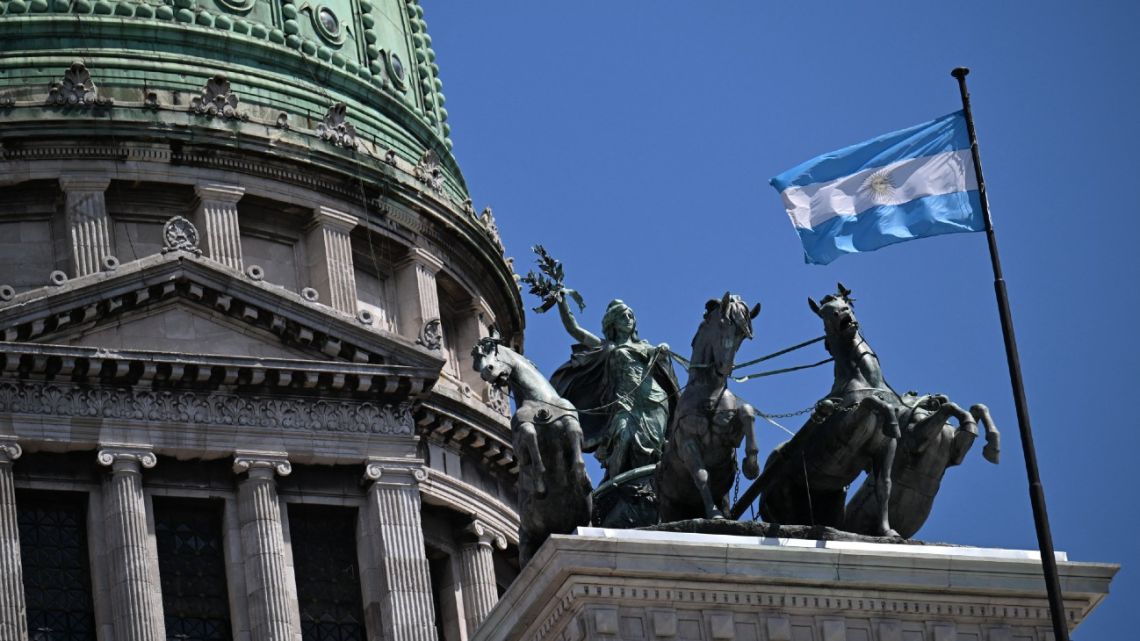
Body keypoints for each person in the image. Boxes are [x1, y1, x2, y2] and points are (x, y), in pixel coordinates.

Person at [549, 291, 680, 480]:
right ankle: (614, 486)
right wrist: (562, 303)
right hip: (624, 403)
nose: (628, 319)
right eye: (622, 316)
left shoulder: (646, 347)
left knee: (655, 447)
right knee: (622, 438)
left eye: (630, 316)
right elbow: (574, 329)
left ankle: (655, 483)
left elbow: (664, 368)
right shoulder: (606, 347)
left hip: (654, 401)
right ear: (613, 322)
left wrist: (662, 351)